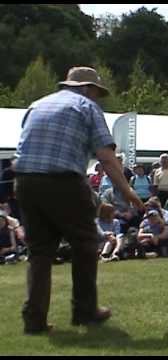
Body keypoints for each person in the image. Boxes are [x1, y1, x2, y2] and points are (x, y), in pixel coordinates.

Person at [13, 66, 145, 334]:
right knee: (85, 243)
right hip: (62, 181)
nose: (97, 99)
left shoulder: (37, 105)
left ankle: (34, 320)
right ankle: (85, 312)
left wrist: (96, 202)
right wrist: (127, 191)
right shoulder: (86, 107)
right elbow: (105, 157)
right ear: (87, 88)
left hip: (25, 181)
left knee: (39, 252)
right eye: (97, 93)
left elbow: (40, 156)